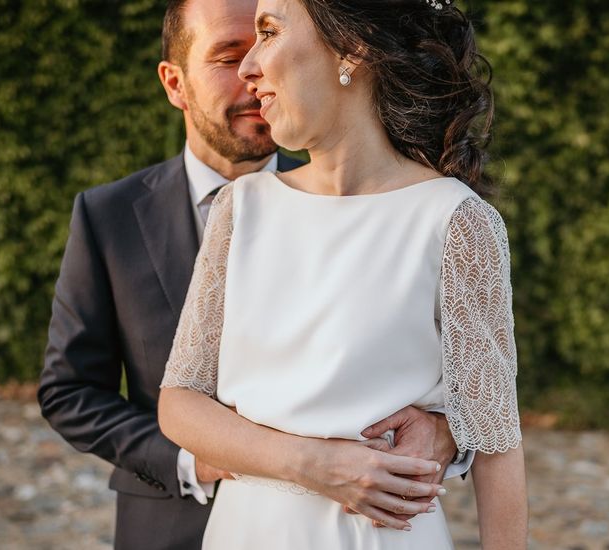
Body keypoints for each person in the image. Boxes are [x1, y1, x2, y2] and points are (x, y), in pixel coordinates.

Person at [37, 0, 465, 548]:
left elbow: (470, 388)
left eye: (267, 41)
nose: (253, 72)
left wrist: (444, 432)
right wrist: (194, 456)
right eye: (227, 55)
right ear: (175, 83)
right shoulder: (107, 216)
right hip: (165, 523)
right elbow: (69, 390)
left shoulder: (369, 201)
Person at [158, 0, 529, 548]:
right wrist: (312, 463)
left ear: (351, 48)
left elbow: (497, 442)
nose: (248, 67)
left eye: (269, 31)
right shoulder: (241, 208)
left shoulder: (455, 221)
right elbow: (179, 402)